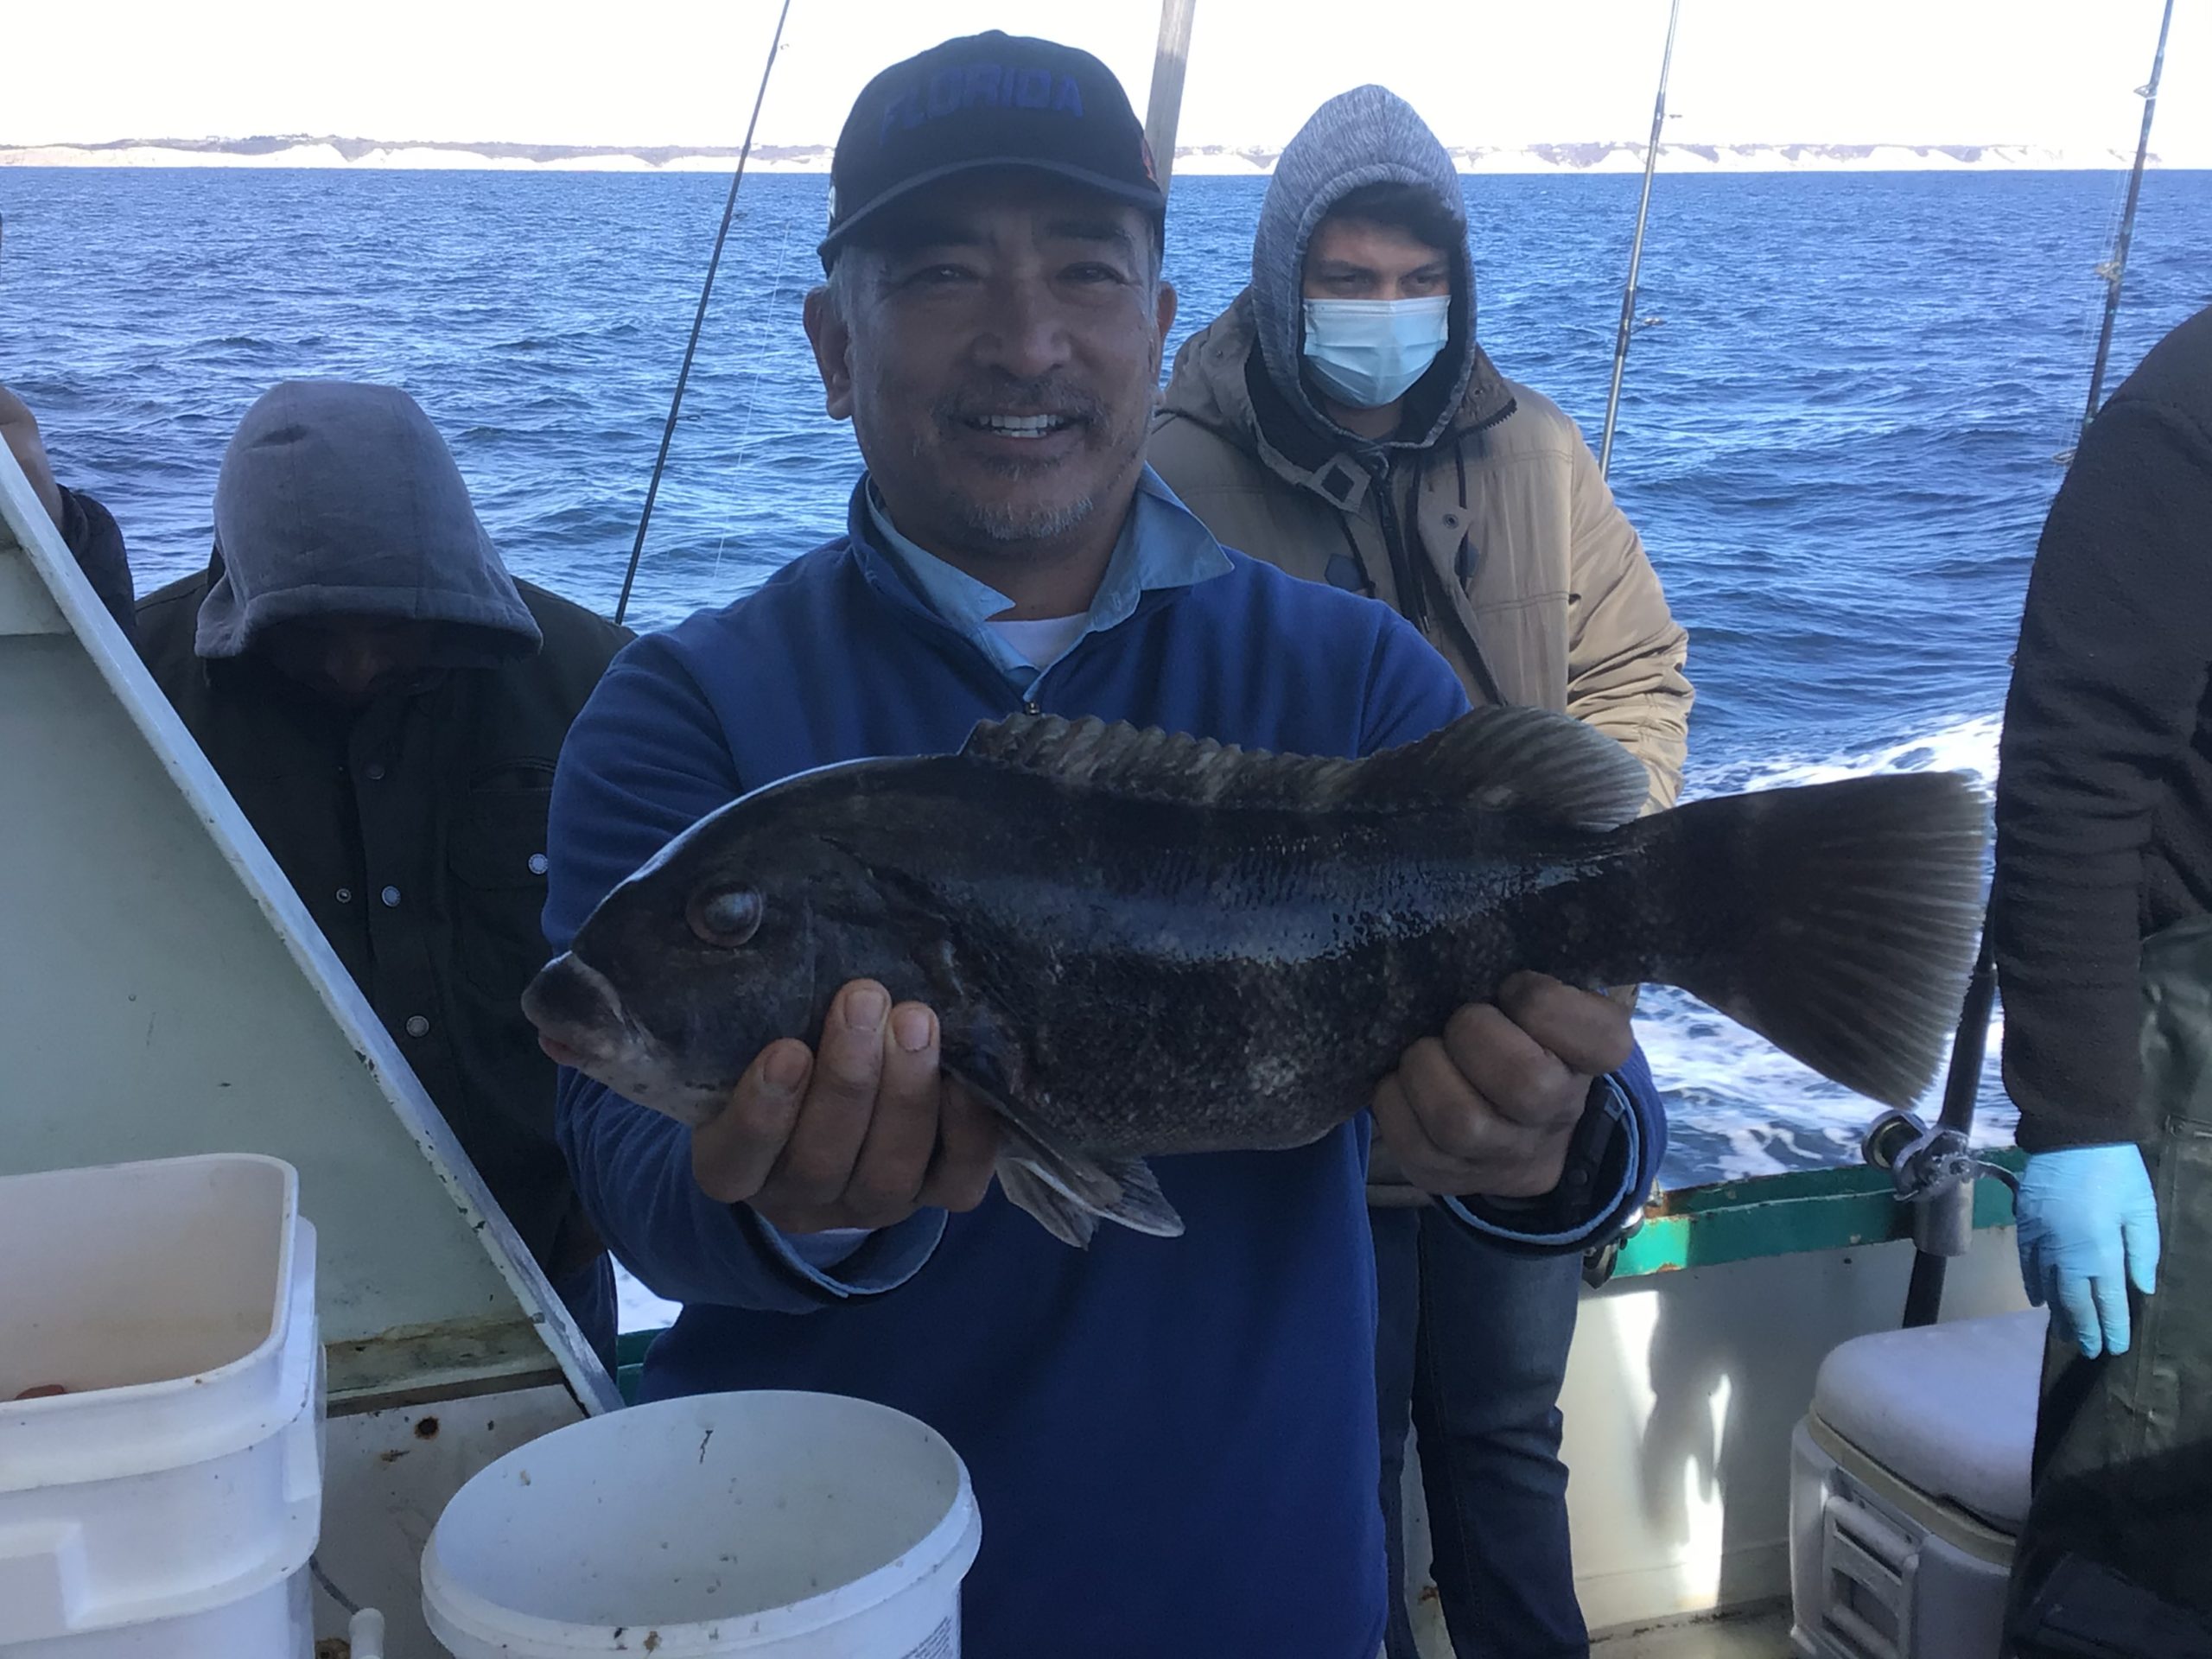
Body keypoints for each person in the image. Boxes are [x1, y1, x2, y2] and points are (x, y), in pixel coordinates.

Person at [546, 34, 1663, 1659]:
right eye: (940, 273)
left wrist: (1547, 1137)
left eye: (1087, 269)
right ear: (831, 346)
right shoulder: (680, 712)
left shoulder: (1353, 681)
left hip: (1259, 1592)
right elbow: (622, 1161)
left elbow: (1608, 1116)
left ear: (1157, 326)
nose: (1026, 339)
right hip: (820, 1599)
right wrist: (804, 1200)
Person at [1149, 86, 1690, 1657]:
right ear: (1276, 279)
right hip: (1308, 1065)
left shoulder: (1539, 455)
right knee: (1344, 1449)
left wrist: (1600, 841)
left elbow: (1640, 672)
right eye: (1347, 280)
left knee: (1511, 1429)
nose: (1385, 314)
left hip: (1527, 1035)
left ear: (1456, 288)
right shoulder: (1172, 478)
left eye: (1414, 282)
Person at [10, 378, 631, 1374]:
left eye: (394, 623)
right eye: (308, 632)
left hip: (554, 1251)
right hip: (232, 1283)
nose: (352, 664)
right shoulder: (128, 690)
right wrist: (50, 539)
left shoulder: (611, 689)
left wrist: (607, 1207)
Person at [1993, 302, 2212, 1655]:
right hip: (2187, 1076)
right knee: (2147, 1559)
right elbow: (2073, 773)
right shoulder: (2186, 414)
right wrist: (2076, 1122)